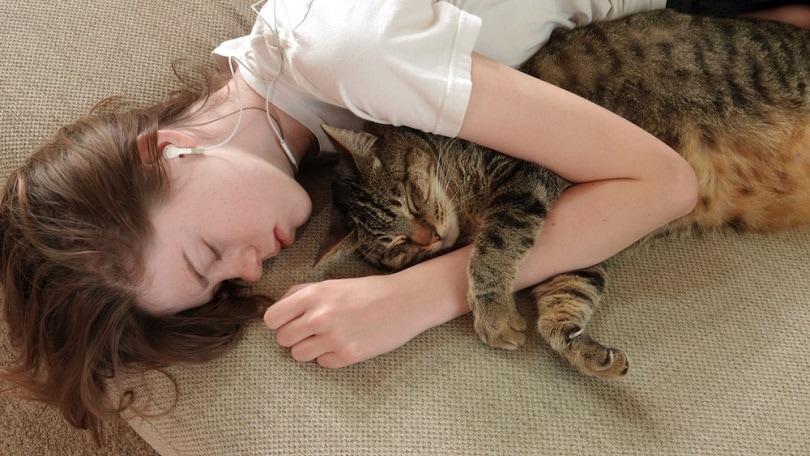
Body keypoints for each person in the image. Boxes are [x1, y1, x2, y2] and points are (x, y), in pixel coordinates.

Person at [1, 0, 807, 442]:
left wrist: (424, 295)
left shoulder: (342, 59)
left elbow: (657, 182)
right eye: (221, 282)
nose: (248, 269)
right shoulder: (301, 90)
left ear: (166, 151)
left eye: (209, 251)